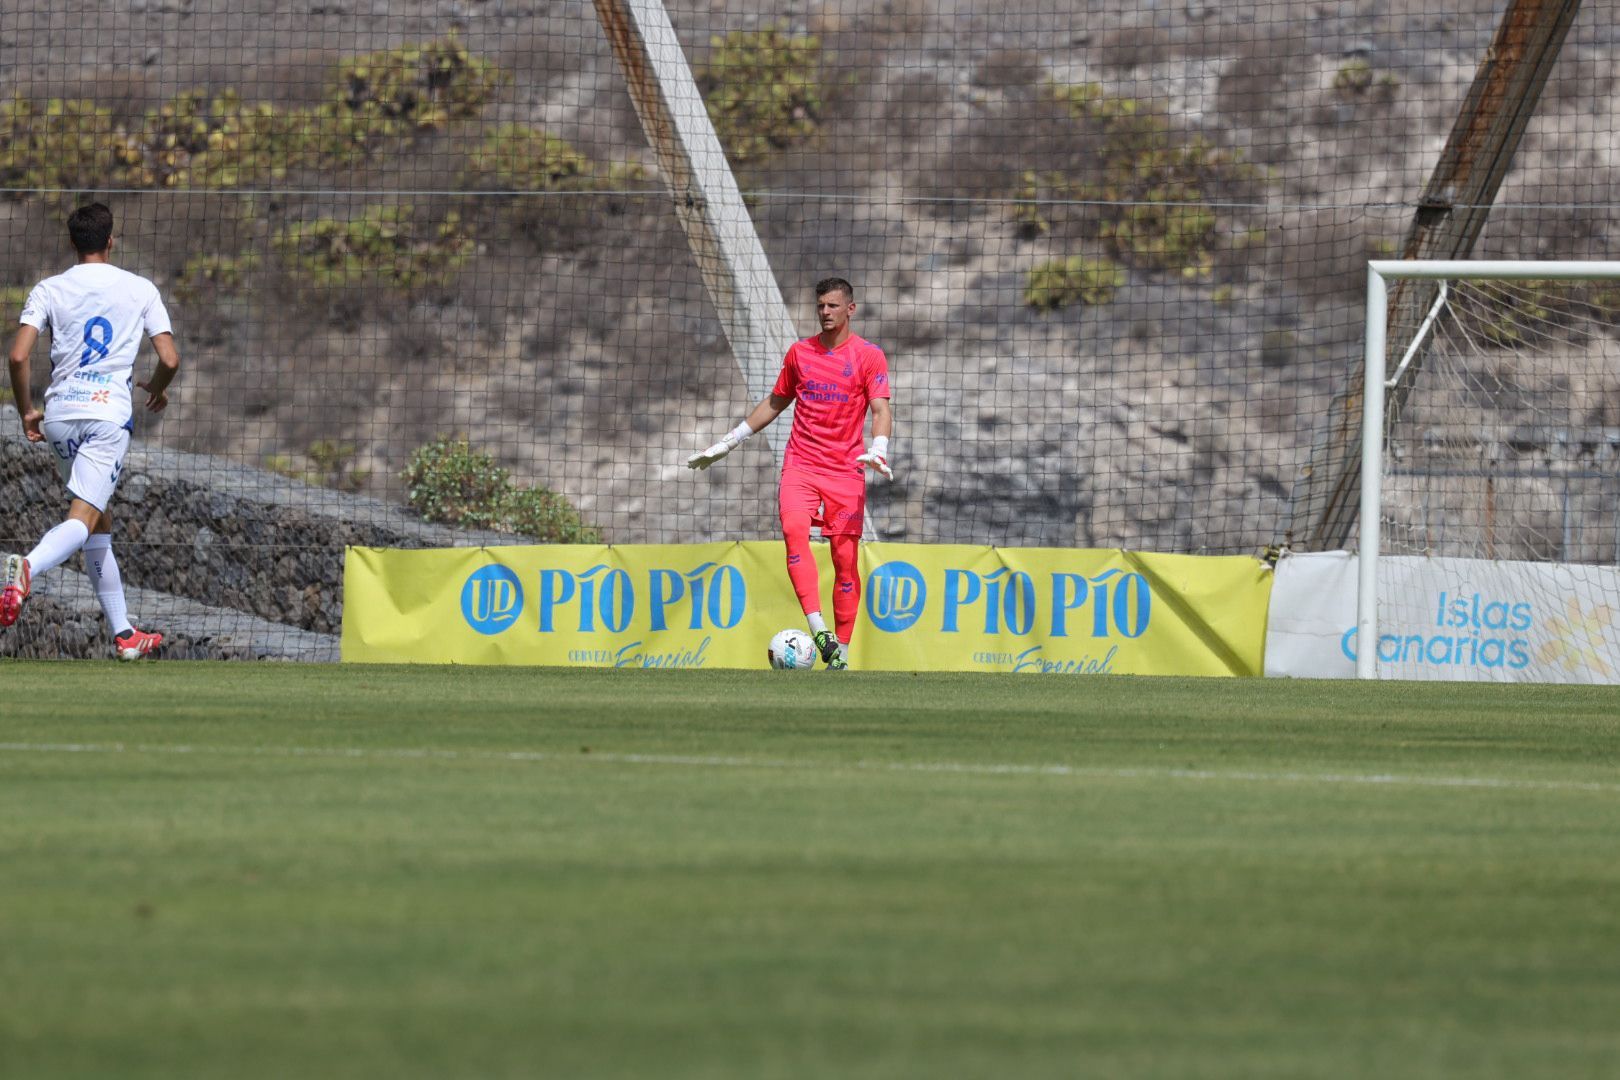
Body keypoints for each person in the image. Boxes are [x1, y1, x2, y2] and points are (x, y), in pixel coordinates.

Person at [2, 202, 181, 659]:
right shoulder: (139, 288)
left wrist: (26, 410)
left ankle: (124, 636)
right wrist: (157, 390)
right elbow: (169, 358)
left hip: (60, 415)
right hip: (106, 417)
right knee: (82, 519)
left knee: (99, 520)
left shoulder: (49, 288)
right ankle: (26, 567)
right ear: (111, 240)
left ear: (71, 243)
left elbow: (19, 356)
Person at [687, 277, 893, 671]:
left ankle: (841, 655)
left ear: (850, 309)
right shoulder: (800, 354)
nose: (826, 312)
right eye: (821, 306)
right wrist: (728, 442)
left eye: (833, 306)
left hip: (846, 472)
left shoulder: (869, 356)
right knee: (795, 533)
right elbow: (776, 401)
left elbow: (881, 408)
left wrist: (879, 448)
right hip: (801, 464)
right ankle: (820, 632)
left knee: (845, 559)